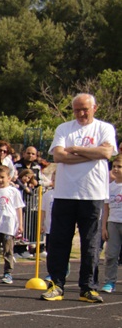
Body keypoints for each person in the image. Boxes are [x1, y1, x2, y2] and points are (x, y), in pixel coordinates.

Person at [41, 93, 117, 303]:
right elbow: (57, 156)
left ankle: (88, 287)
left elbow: (107, 153)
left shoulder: (104, 128)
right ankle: (56, 285)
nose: (81, 113)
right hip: (65, 193)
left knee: (90, 243)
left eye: (85, 109)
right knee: (59, 242)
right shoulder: (64, 128)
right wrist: (92, 153)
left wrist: (75, 150)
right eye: (77, 110)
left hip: (92, 193)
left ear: (95, 108)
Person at [100, 157, 122, 293]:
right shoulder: (110, 187)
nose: (116, 169)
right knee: (111, 254)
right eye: (114, 166)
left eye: (119, 166)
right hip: (113, 223)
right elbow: (106, 209)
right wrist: (104, 227)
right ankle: (109, 281)